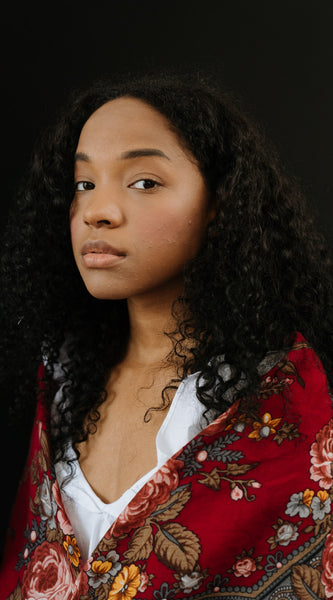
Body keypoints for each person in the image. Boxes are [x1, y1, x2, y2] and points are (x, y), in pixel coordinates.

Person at [0, 70, 333, 600]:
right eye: (84, 184)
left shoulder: (283, 395)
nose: (97, 212)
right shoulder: (62, 377)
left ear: (221, 203)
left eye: (144, 182)